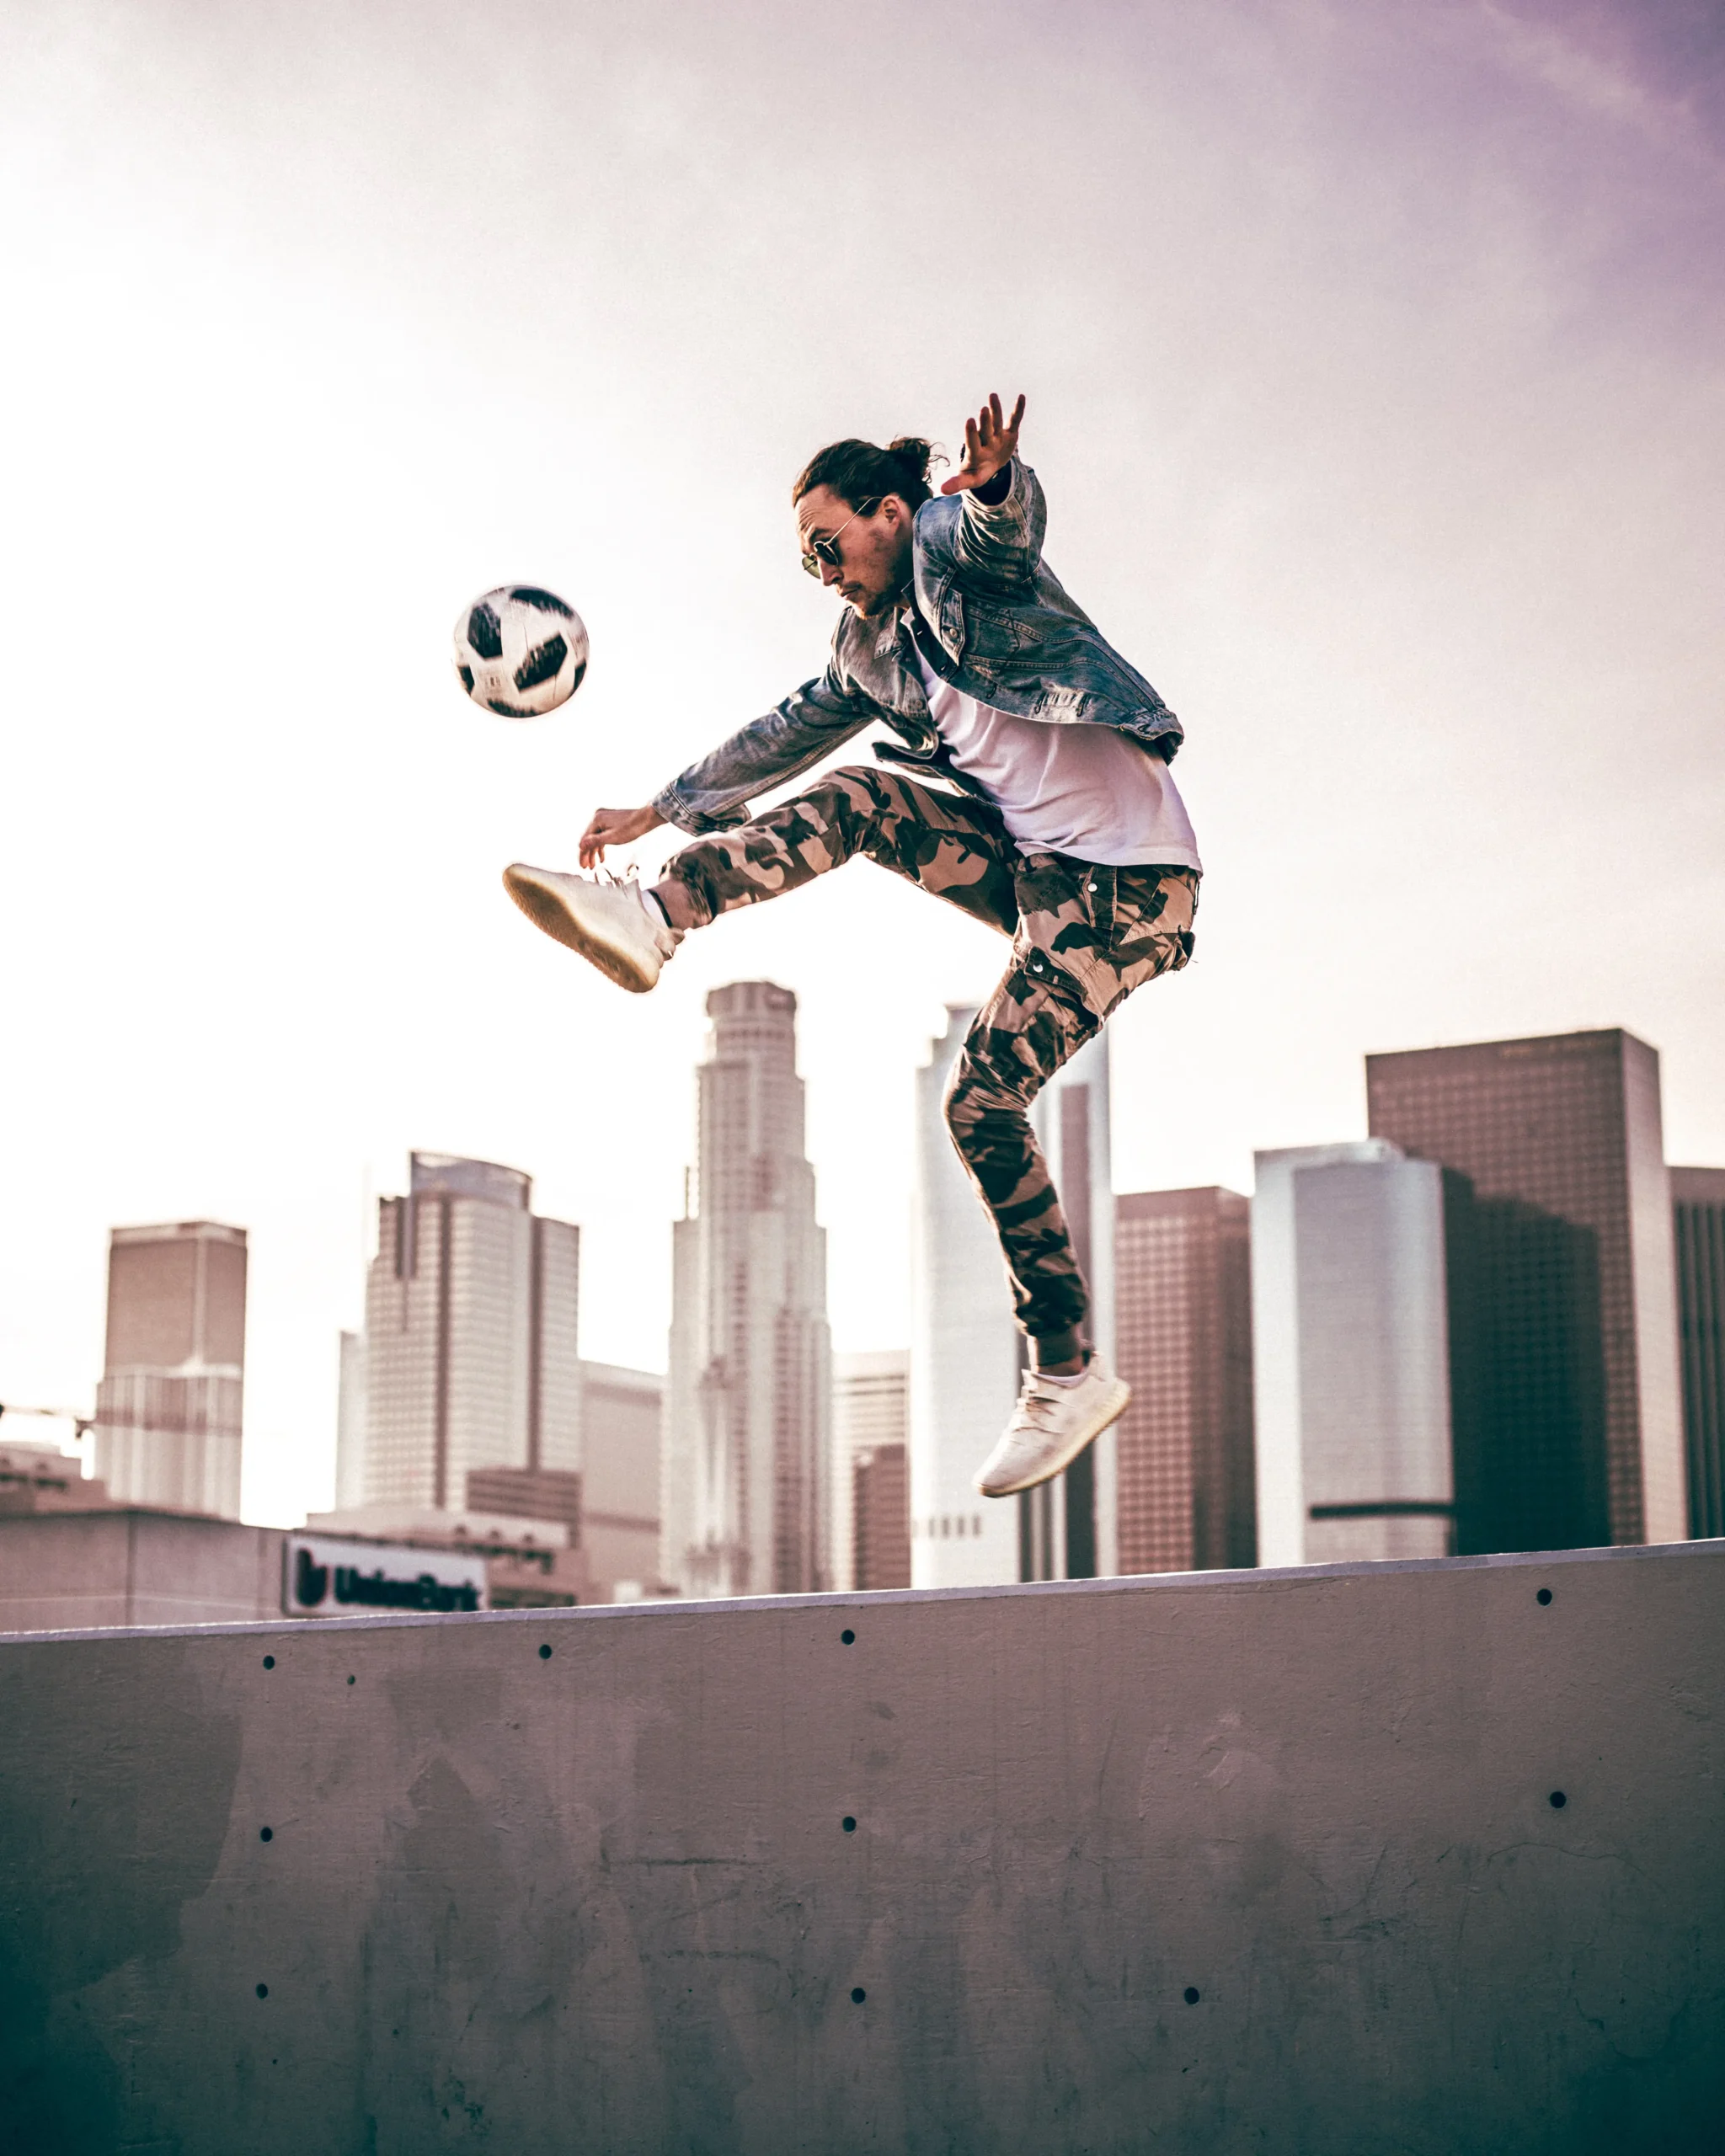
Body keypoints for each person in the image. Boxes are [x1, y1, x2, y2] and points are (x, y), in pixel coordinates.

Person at [503, 394, 1200, 1501]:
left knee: (979, 1108)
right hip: (1035, 877)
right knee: (866, 797)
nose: (823, 571)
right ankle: (660, 913)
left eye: (829, 546)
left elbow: (998, 532)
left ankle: (1066, 1372)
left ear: (887, 514)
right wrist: (660, 808)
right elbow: (782, 730)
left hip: (1131, 893)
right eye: (805, 561)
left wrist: (996, 485)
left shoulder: (944, 553)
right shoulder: (867, 649)